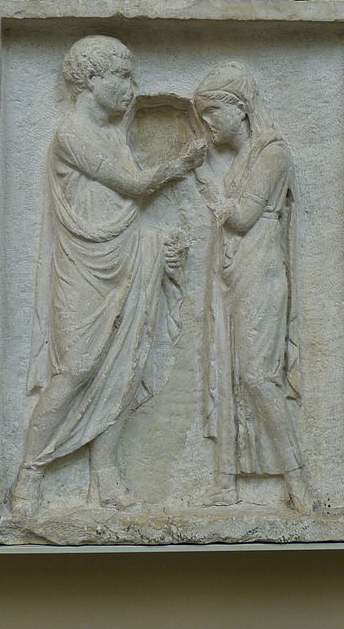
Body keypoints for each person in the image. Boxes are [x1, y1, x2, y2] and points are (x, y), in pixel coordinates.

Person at [11, 35, 206, 515]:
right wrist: (182, 163)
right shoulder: (72, 132)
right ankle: (29, 473)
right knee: (76, 368)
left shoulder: (114, 132)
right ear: (90, 78)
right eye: (121, 75)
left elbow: (127, 208)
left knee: (127, 363)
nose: (131, 87)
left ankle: (105, 475)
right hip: (84, 266)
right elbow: (134, 186)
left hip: (127, 256)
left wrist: (161, 247)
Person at [194, 61, 313, 513]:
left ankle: (297, 480)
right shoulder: (246, 156)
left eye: (212, 112)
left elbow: (242, 218)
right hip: (231, 273)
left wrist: (204, 186)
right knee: (226, 372)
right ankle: (225, 481)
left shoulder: (272, 152)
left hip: (260, 272)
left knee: (258, 378)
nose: (206, 124)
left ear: (240, 109)